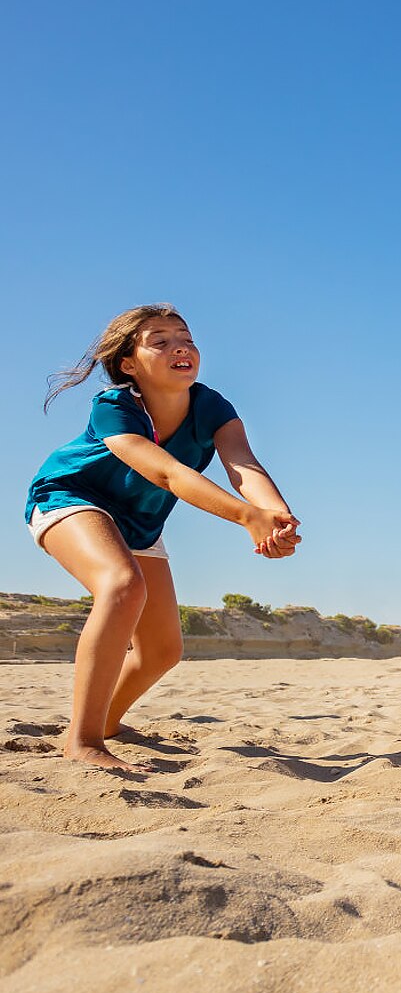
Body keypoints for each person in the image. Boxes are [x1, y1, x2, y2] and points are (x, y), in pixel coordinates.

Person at [26, 304, 300, 772]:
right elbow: (168, 472)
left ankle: (105, 722)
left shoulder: (213, 406)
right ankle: (83, 742)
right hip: (71, 498)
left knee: (161, 652)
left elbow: (243, 464)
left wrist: (275, 515)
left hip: (139, 524)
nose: (180, 347)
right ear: (129, 363)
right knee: (121, 585)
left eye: (186, 338)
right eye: (161, 340)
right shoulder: (116, 406)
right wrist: (244, 517)